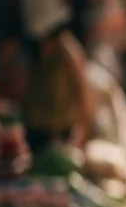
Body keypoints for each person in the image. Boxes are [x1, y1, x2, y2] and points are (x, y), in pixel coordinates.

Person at [22, 8, 93, 151]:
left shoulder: (68, 51)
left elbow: (83, 92)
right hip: (35, 130)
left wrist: (81, 129)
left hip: (60, 132)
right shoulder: (33, 49)